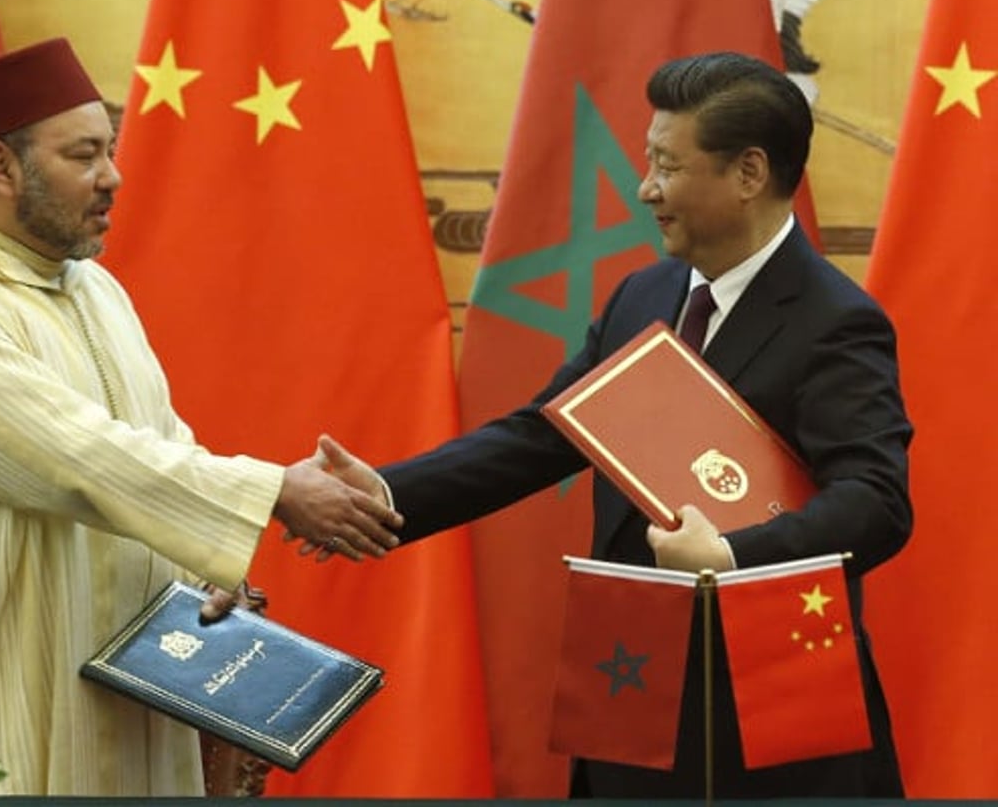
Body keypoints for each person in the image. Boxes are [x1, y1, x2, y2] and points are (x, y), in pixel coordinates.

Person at [303, 51, 912, 798]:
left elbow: (875, 502)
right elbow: (541, 436)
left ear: (748, 173)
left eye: (665, 165)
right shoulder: (645, 295)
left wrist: (728, 556)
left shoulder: (835, 322)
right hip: (631, 676)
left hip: (771, 695)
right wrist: (386, 493)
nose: (644, 188)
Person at [0, 38, 401, 797]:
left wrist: (208, 573)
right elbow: (81, 459)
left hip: (130, 693)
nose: (112, 177)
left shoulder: (92, 290)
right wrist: (274, 491)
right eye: (83, 156)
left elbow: (157, 446)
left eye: (108, 151)